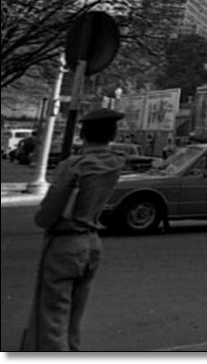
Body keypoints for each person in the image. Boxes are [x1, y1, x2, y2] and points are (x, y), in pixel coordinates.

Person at [21, 108, 126, 351]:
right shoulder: (114, 164)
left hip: (65, 243)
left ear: (83, 133)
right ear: (112, 134)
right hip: (92, 242)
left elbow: (48, 215)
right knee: (74, 318)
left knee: (53, 317)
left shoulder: (74, 166)